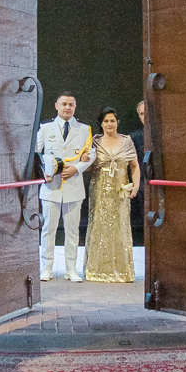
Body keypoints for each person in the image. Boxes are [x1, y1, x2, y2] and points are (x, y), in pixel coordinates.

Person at [36, 92, 95, 282]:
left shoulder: (84, 129)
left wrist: (77, 169)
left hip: (73, 185)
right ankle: (47, 268)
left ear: (75, 107)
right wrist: (44, 170)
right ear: (56, 105)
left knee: (72, 231)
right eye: (64, 104)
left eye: (71, 104)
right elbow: (36, 153)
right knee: (48, 229)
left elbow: (90, 154)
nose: (67, 107)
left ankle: (71, 269)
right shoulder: (45, 128)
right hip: (51, 186)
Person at [84, 108, 140, 283]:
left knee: (120, 227)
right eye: (106, 121)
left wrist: (136, 185)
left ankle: (122, 272)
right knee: (99, 229)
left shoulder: (127, 141)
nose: (109, 124)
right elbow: (88, 166)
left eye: (112, 121)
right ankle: (97, 271)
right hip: (100, 191)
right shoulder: (95, 141)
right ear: (101, 123)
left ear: (118, 122)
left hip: (120, 191)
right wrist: (84, 161)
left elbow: (134, 166)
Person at [128, 100, 146, 245]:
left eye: (146, 113)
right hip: (142, 185)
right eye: (141, 114)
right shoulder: (134, 137)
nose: (144, 116)